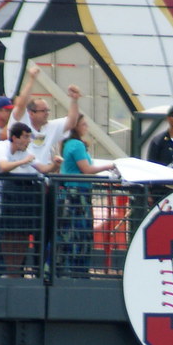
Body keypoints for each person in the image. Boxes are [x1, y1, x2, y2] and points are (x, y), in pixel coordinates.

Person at [0, 122, 61, 276]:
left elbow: (43, 169)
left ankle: (11, 272)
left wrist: (55, 165)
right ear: (14, 137)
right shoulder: (1, 149)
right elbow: (4, 166)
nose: (28, 140)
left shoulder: (23, 152)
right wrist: (24, 162)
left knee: (8, 234)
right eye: (25, 137)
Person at [58, 114, 116, 276]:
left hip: (71, 194)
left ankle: (70, 269)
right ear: (76, 127)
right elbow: (87, 170)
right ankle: (78, 270)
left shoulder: (68, 144)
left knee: (70, 233)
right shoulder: (76, 145)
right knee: (80, 234)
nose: (86, 127)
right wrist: (109, 166)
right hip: (78, 195)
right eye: (83, 124)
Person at [11, 64, 81, 167]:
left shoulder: (50, 127)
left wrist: (74, 100)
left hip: (40, 177)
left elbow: (71, 122)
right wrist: (31, 79)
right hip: (19, 176)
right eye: (43, 111)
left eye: (48, 110)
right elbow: (21, 104)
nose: (47, 113)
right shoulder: (21, 122)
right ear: (31, 113)